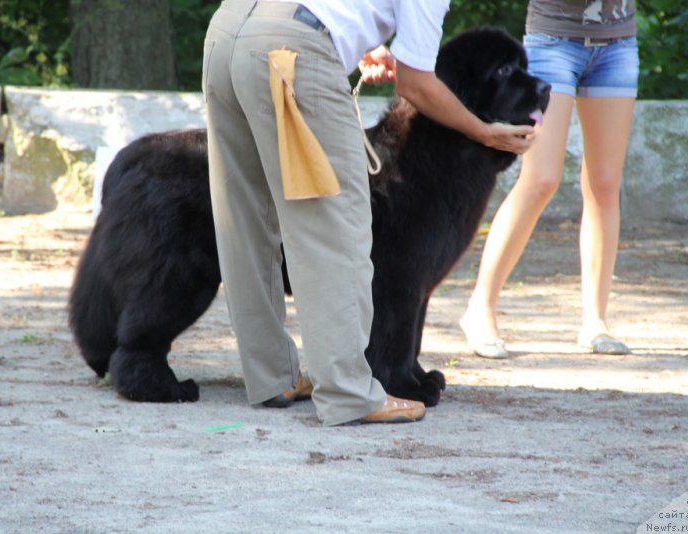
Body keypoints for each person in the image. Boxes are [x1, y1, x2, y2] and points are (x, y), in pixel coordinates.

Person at [203, 0, 534, 426]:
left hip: (231, 29)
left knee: (246, 213)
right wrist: (483, 130)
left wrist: (364, 41)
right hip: (297, 46)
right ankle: (349, 392)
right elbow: (416, 86)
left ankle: (273, 377)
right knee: (339, 222)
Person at [460, 0, 639, 358]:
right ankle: (481, 308)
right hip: (553, 40)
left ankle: (595, 321)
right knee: (541, 178)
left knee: (605, 183)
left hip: (617, 43)